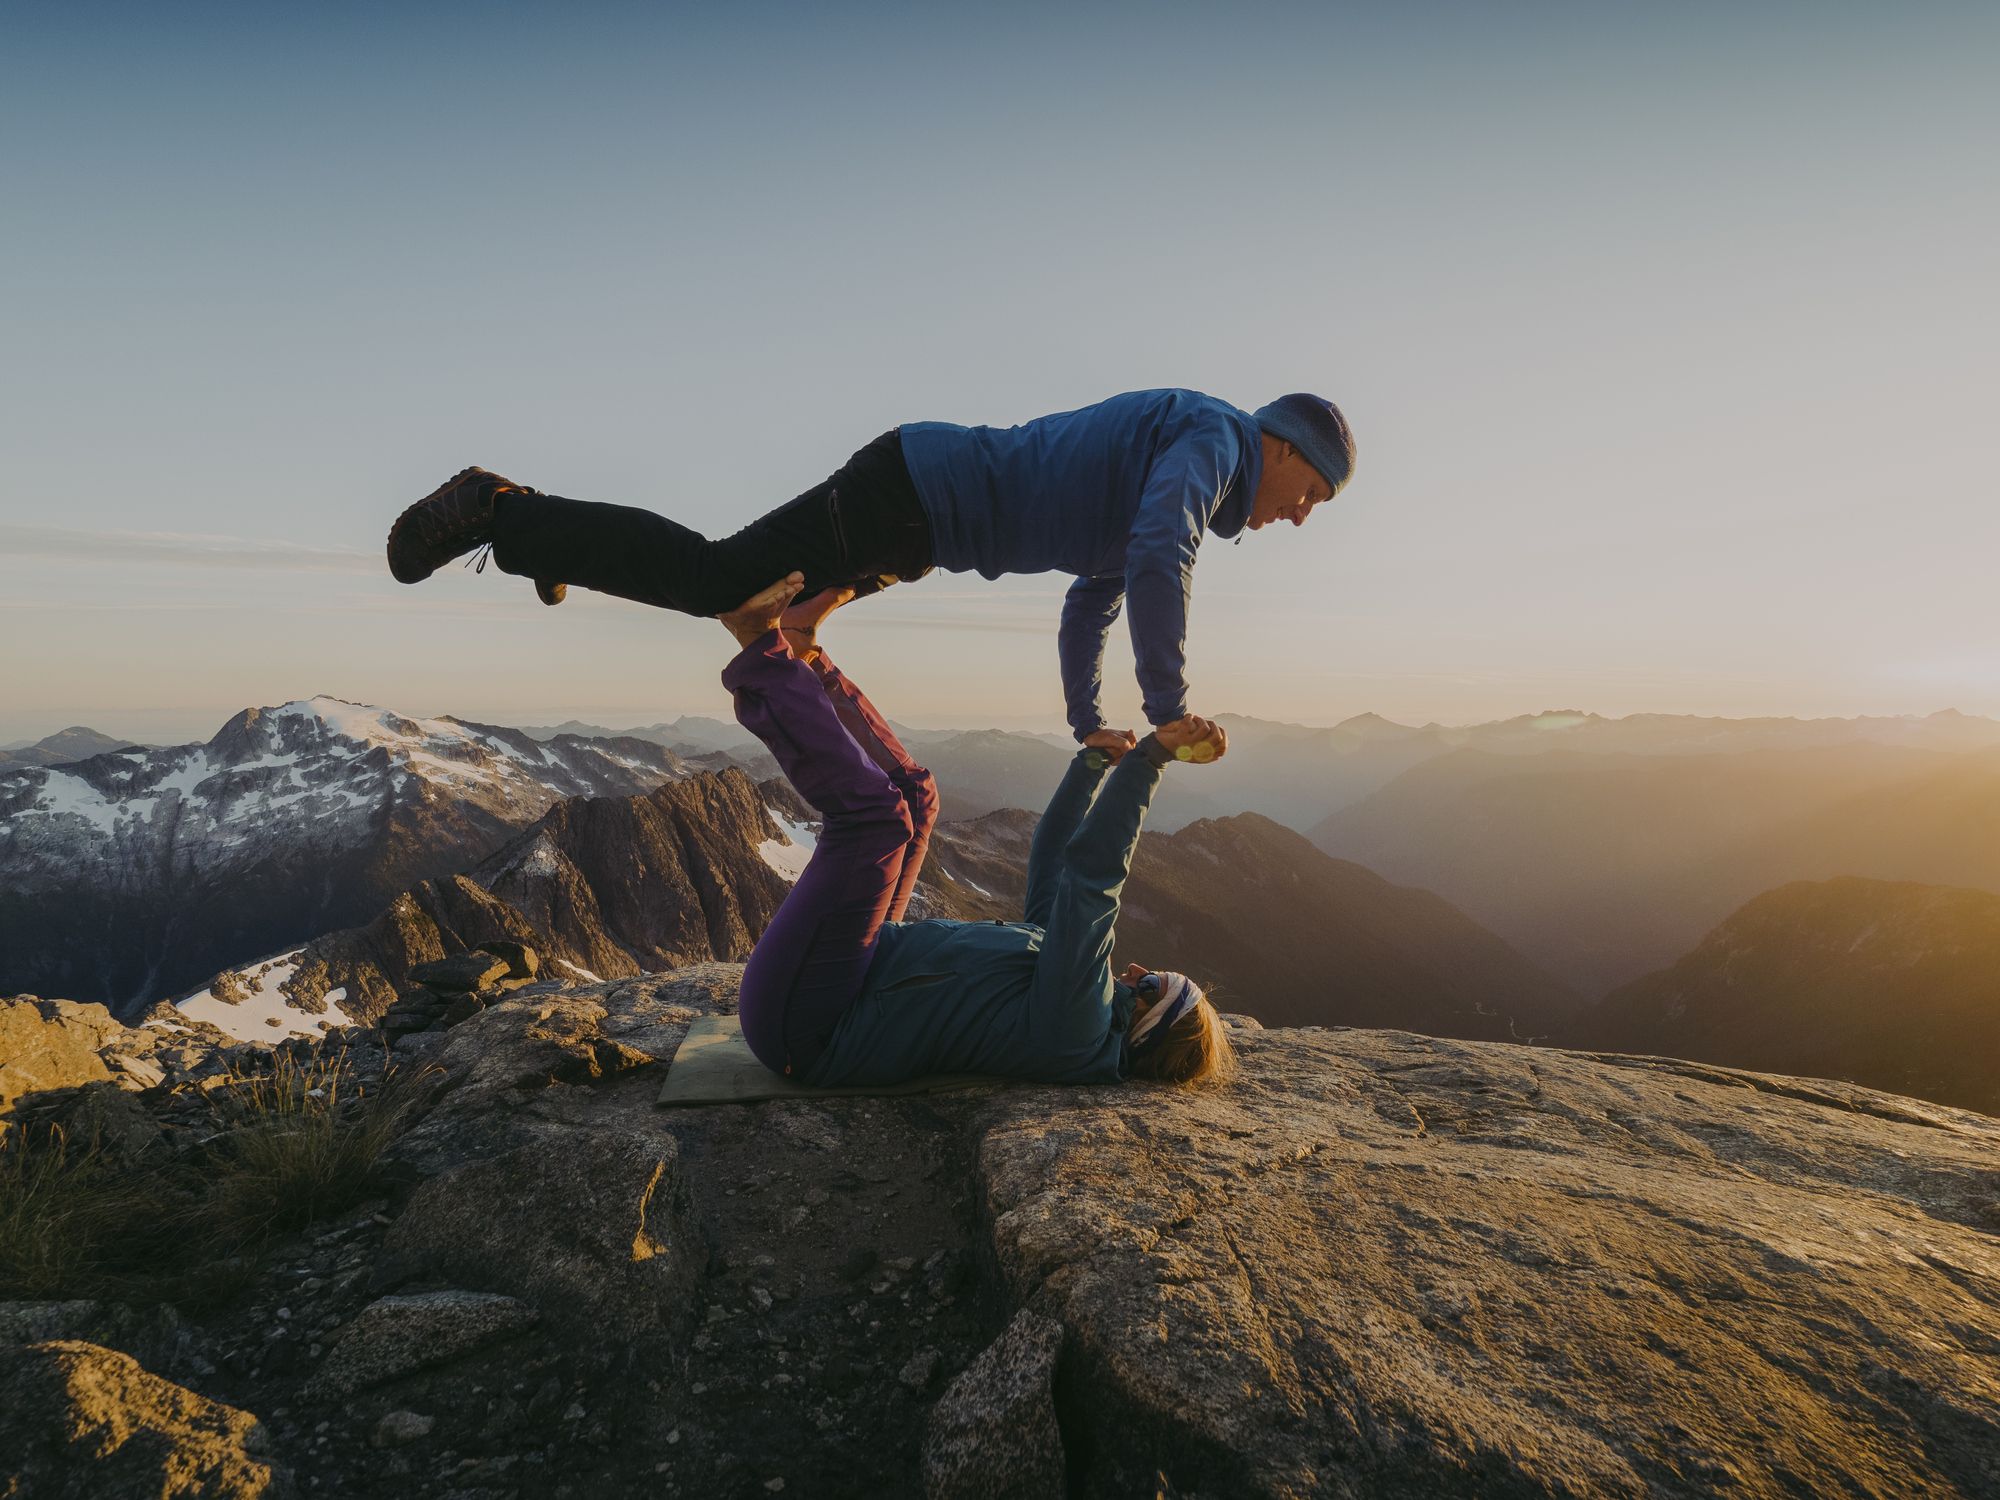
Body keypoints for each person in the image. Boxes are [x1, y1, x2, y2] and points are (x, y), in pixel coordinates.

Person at [385, 388, 1354, 755]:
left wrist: (1084, 721)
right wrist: (1167, 703)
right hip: (909, 491)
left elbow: (1093, 597)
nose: (1302, 516)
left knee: (757, 612)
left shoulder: (1192, 468)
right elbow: (1156, 555)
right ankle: (501, 512)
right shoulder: (1215, 440)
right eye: (1313, 492)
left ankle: (544, 538)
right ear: (1283, 447)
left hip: (915, 534)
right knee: (718, 579)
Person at [715, 573, 1236, 1089]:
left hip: (811, 1024)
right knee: (918, 798)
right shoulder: (1069, 995)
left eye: (1149, 985)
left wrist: (1151, 760)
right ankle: (806, 654)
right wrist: (1093, 763)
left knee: (874, 821)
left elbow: (1091, 881)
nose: (1138, 968)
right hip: (863, 971)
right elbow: (1053, 856)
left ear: (1147, 1029)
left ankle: (763, 653)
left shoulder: (1079, 1027)